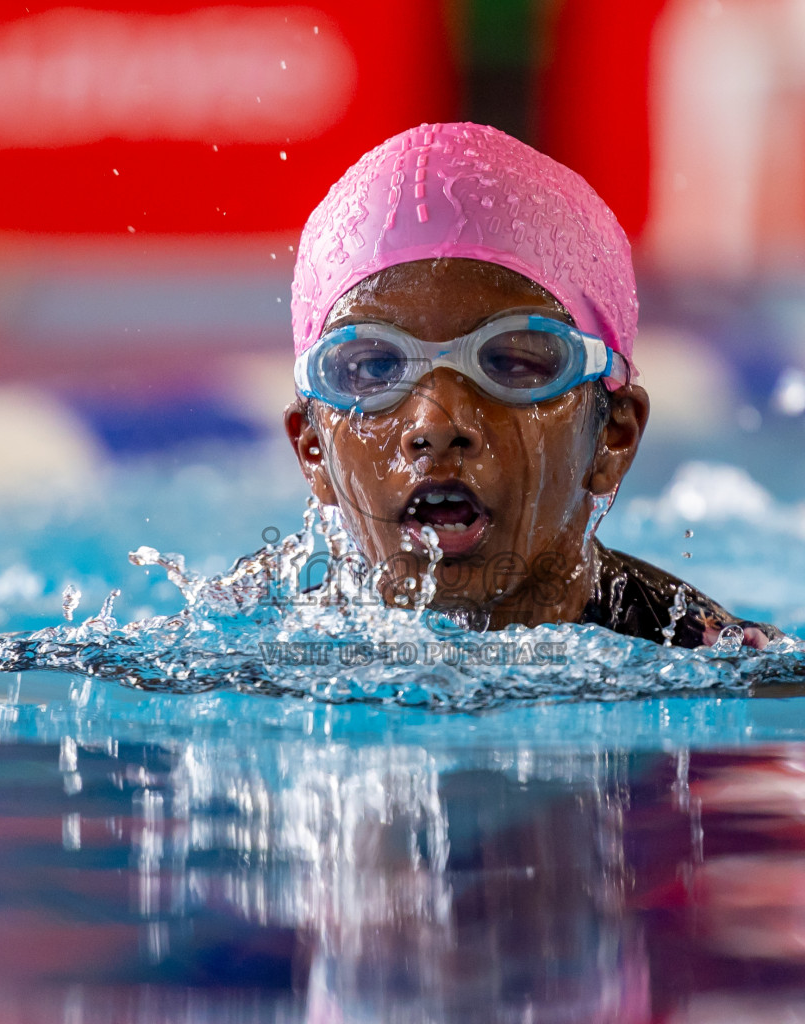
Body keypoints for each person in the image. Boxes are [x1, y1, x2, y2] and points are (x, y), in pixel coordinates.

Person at [284, 122, 775, 649]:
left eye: (511, 363)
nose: (437, 424)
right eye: (375, 370)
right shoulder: (272, 666)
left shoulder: (720, 664)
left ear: (613, 436)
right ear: (313, 451)